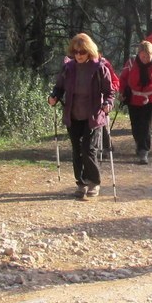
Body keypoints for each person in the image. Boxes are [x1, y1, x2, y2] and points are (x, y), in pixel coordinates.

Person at [48, 33, 115, 199]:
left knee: (88, 150)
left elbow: (109, 92)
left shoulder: (100, 68)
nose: (78, 55)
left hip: (93, 116)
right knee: (77, 151)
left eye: (82, 52)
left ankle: (94, 181)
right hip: (73, 115)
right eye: (76, 52)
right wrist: (54, 96)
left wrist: (107, 103)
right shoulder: (68, 68)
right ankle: (81, 183)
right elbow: (59, 87)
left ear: (89, 51)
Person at [118, 41, 152, 164]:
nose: (145, 59)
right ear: (138, 55)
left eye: (148, 56)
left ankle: (144, 151)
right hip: (134, 98)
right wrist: (121, 92)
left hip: (151, 98)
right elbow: (123, 78)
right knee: (135, 125)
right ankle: (139, 143)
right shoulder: (131, 62)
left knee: (146, 125)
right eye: (142, 56)